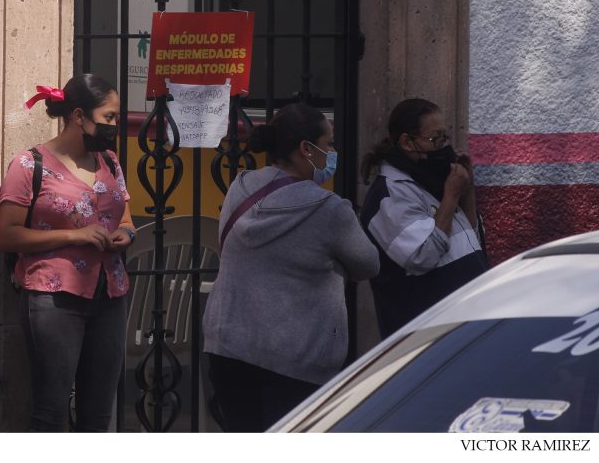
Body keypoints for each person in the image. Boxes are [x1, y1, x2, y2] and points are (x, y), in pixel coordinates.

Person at [202, 102, 379, 432]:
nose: (332, 154)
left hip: (228, 349)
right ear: (306, 149)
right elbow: (368, 264)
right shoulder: (330, 210)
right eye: (328, 144)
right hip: (295, 360)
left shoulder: (240, 187)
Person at [0, 74, 137, 432]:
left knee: (98, 414)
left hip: (110, 297)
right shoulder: (29, 165)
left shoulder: (110, 161)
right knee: (52, 411)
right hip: (54, 299)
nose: (114, 125)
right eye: (108, 117)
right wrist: (74, 235)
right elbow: (7, 235)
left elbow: (126, 219)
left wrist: (124, 234)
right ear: (78, 116)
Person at [359, 98, 488, 339]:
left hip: (465, 328)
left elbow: (472, 241)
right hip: (427, 337)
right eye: (435, 139)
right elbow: (423, 254)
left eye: (445, 137)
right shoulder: (389, 197)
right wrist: (451, 196)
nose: (443, 146)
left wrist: (467, 191)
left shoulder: (433, 180)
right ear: (407, 142)